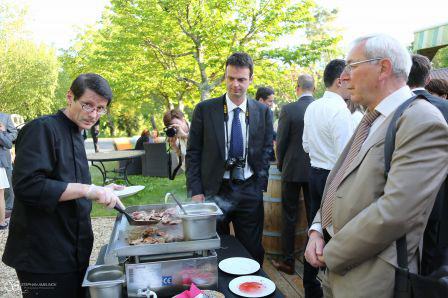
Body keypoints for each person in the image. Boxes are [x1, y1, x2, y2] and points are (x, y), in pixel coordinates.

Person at [305, 34, 448, 298]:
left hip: (371, 280)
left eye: (352, 66)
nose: (344, 76)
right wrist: (316, 230)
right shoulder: (372, 117)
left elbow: (396, 211)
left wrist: (332, 250)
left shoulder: (421, 120)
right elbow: (339, 180)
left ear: (383, 68)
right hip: (339, 269)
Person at [2, 73, 126, 298]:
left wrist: (101, 189)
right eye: (88, 105)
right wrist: (88, 190)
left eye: (100, 108)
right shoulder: (41, 129)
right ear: (70, 97)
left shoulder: (78, 133)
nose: (94, 115)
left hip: (73, 249)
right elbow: (27, 186)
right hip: (42, 256)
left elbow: (67, 181)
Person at [186, 52, 273, 265]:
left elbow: (265, 151)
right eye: (231, 78)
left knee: (252, 250)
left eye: (241, 79)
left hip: (249, 190)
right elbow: (193, 152)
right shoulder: (204, 110)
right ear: (225, 77)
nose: (235, 84)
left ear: (251, 79)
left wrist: (259, 185)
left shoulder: (263, 112)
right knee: (215, 249)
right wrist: (196, 190)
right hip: (214, 190)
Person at [301, 59, 353, 298]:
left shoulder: (312, 107)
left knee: (315, 230)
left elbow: (306, 145)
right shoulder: (340, 110)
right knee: (330, 234)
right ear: (340, 80)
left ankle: (310, 286)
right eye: (349, 78)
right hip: (334, 178)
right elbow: (346, 155)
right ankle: (325, 288)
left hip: (314, 173)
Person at [407, 53, 448, 276]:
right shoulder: (445, 107)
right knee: (434, 242)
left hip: (404, 192)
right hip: (441, 189)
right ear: (429, 78)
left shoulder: (397, 108)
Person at [272, 74, 314, 276]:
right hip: (315, 170)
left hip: (291, 169)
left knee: (289, 216)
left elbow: (280, 142)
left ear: (297, 88)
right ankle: (311, 261)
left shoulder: (289, 109)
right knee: (314, 216)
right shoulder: (320, 108)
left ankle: (288, 262)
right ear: (313, 89)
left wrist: (281, 164)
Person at [0, 112, 17, 223]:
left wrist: (4, 134)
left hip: (3, 157)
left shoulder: (5, 117)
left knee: (7, 186)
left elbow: (14, 133)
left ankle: (9, 210)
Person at [256, 86, 276, 161]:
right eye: (270, 101)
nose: (272, 104)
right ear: (261, 100)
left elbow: (270, 131)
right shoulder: (248, 112)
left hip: (267, 154)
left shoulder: (270, 112)